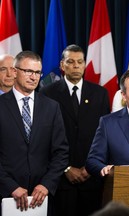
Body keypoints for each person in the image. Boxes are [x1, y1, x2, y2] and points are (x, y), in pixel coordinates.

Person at [40, 44, 110, 216]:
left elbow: (105, 136)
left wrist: (90, 167)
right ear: (62, 65)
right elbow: (43, 137)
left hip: (92, 179)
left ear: (85, 64)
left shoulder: (100, 93)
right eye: (71, 62)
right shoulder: (47, 93)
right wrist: (65, 168)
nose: (76, 66)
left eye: (80, 61)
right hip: (60, 180)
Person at [0, 51, 68, 216]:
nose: (34, 77)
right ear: (15, 72)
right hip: (6, 195)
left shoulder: (52, 107)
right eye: (28, 71)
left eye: (37, 72)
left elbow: (61, 152)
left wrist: (46, 184)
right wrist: (10, 186)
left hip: (42, 198)